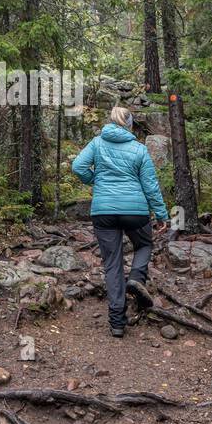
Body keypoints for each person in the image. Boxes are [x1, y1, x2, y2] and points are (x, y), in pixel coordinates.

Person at [70, 105, 169, 337]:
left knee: (112, 263)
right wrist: (162, 214)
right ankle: (136, 278)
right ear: (129, 124)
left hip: (103, 211)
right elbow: (151, 186)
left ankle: (117, 322)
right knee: (144, 244)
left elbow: (77, 167)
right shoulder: (139, 149)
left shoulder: (97, 143)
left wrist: (95, 180)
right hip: (135, 210)